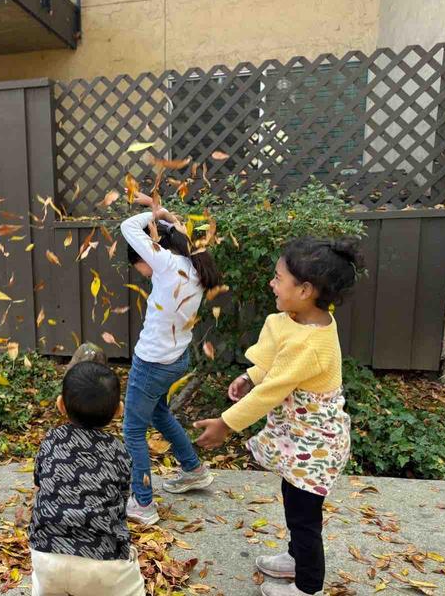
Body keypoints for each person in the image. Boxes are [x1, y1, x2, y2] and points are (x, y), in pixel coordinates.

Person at [194, 237, 363, 596]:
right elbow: (272, 362)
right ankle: (295, 558)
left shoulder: (311, 343)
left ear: (304, 290)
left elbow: (274, 390)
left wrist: (226, 423)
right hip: (299, 439)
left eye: (278, 277)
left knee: (305, 519)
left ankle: (308, 585)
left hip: (317, 445)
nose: (272, 283)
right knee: (293, 499)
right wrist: (248, 375)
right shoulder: (293, 320)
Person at [120, 194, 219, 525]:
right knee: (160, 413)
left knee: (133, 430)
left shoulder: (165, 263)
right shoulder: (194, 265)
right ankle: (193, 469)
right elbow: (181, 234)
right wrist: (164, 218)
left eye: (139, 265)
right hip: (176, 358)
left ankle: (143, 504)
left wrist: (153, 216)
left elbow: (126, 226)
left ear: (153, 251)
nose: (142, 272)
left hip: (152, 363)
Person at [28, 361, 145, 596]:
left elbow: (40, 481)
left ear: (60, 404)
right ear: (118, 410)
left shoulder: (52, 440)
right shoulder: (118, 451)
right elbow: (121, 498)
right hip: (104, 560)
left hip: (47, 554)